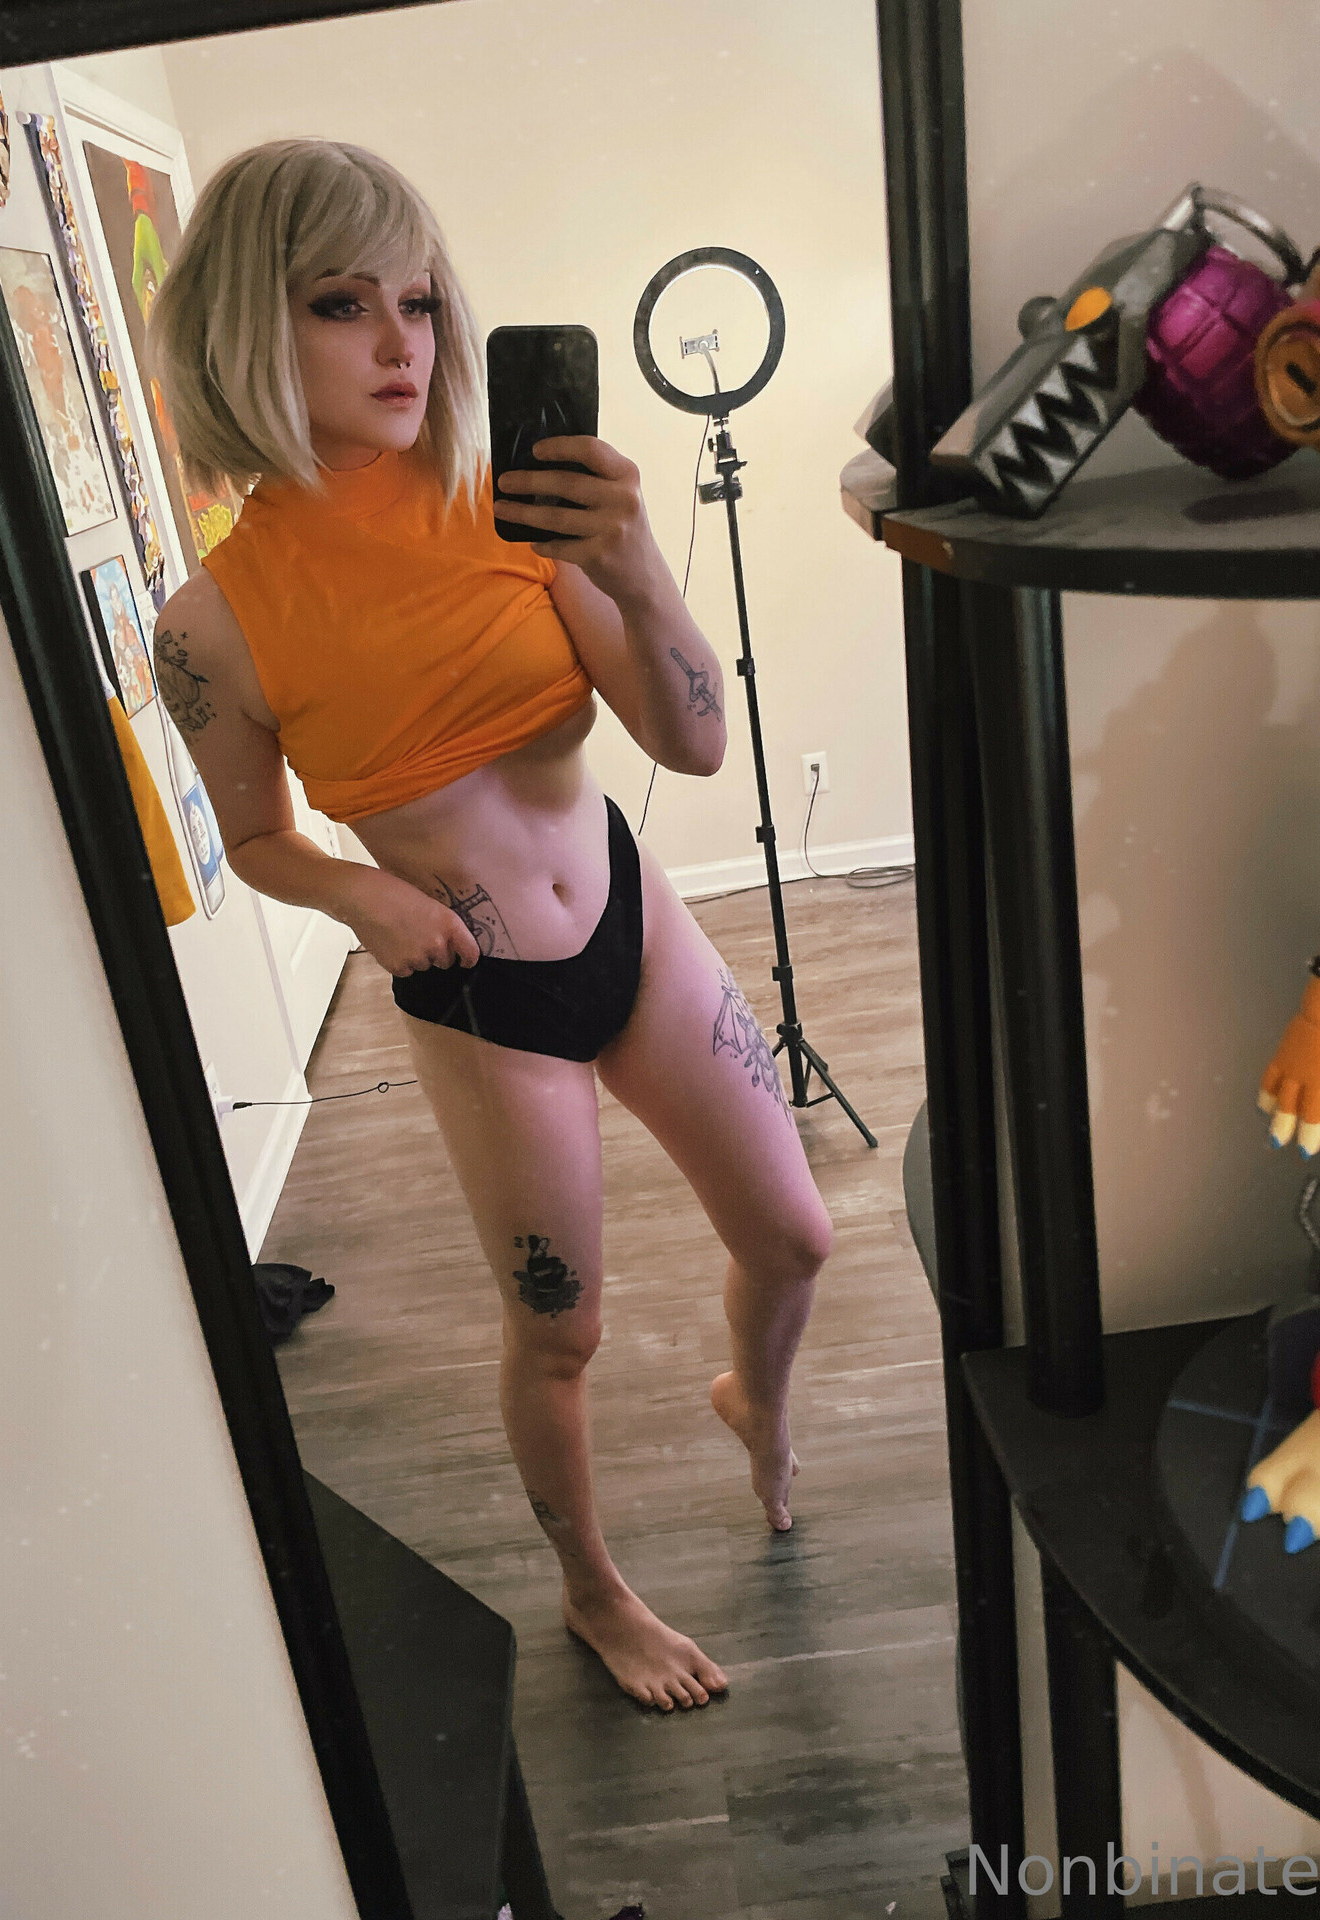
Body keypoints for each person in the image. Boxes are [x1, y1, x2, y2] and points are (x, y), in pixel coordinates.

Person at [147, 139, 834, 1712]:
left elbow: (692, 744)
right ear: (246, 325)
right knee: (560, 1333)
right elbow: (253, 840)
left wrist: (638, 568)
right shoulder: (212, 623)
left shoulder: (510, 504)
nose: (402, 343)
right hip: (479, 993)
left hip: (633, 921)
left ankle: (759, 1402)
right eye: (342, 305)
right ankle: (594, 1594)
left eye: (421, 301)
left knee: (796, 1237)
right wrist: (358, 892)